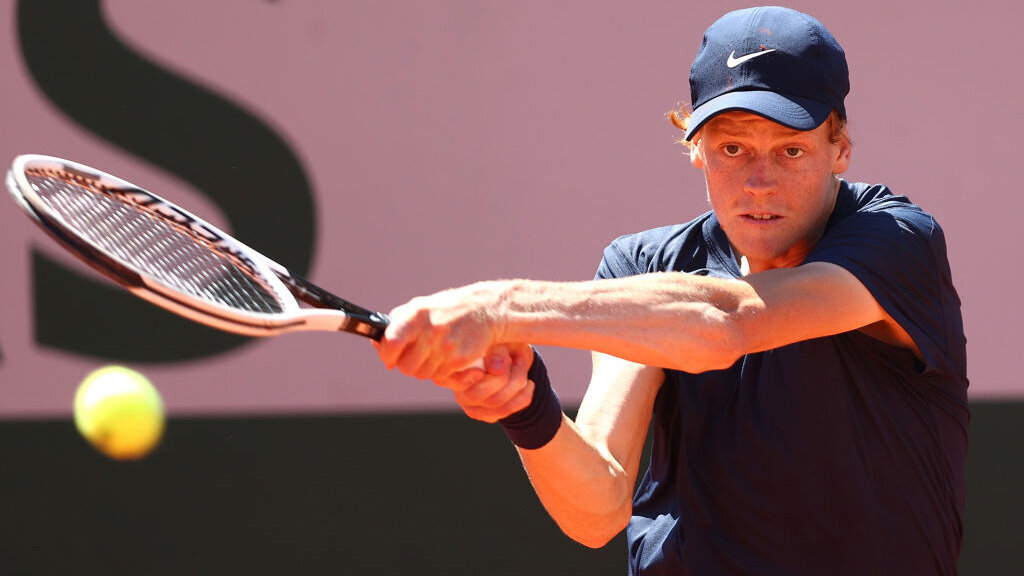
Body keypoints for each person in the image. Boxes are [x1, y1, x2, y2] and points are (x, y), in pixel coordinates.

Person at [376, 6, 968, 575]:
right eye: (732, 149)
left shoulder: (897, 241)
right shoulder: (641, 266)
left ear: (840, 149)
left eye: (790, 150)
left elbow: (727, 323)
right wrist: (527, 407)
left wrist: (499, 309)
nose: (759, 183)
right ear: (695, 149)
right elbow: (597, 512)